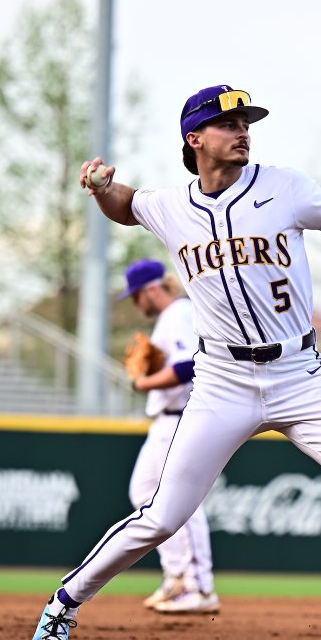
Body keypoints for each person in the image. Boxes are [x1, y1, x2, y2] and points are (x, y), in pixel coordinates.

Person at [26, 84, 321, 640]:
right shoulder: (172, 205)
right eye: (227, 122)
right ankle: (60, 609)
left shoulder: (284, 186)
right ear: (195, 139)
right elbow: (126, 204)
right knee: (162, 516)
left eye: (246, 121)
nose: (243, 130)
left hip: (302, 374)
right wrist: (104, 188)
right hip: (223, 382)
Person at [120, 258, 219, 615]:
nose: (135, 304)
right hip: (166, 420)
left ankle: (199, 586)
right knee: (144, 491)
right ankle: (177, 576)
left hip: (180, 419)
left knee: (181, 501)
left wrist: (144, 382)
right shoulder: (172, 317)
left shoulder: (178, 313)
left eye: (135, 296)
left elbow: (186, 365)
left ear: (151, 289)